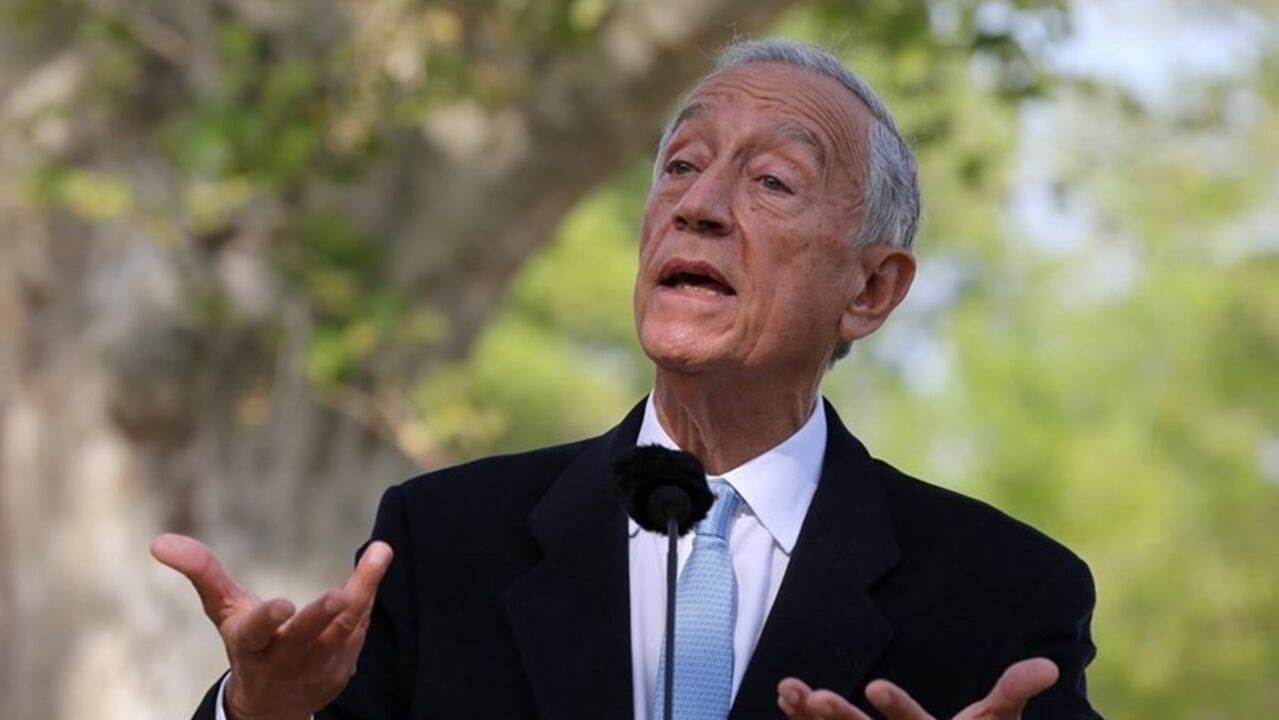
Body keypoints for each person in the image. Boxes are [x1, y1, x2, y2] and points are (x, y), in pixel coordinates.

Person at [153, 38, 1099, 720]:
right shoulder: (442, 543)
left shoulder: (1005, 593)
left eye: (771, 182)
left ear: (871, 289)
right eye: (680, 165)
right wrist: (260, 716)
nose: (698, 205)